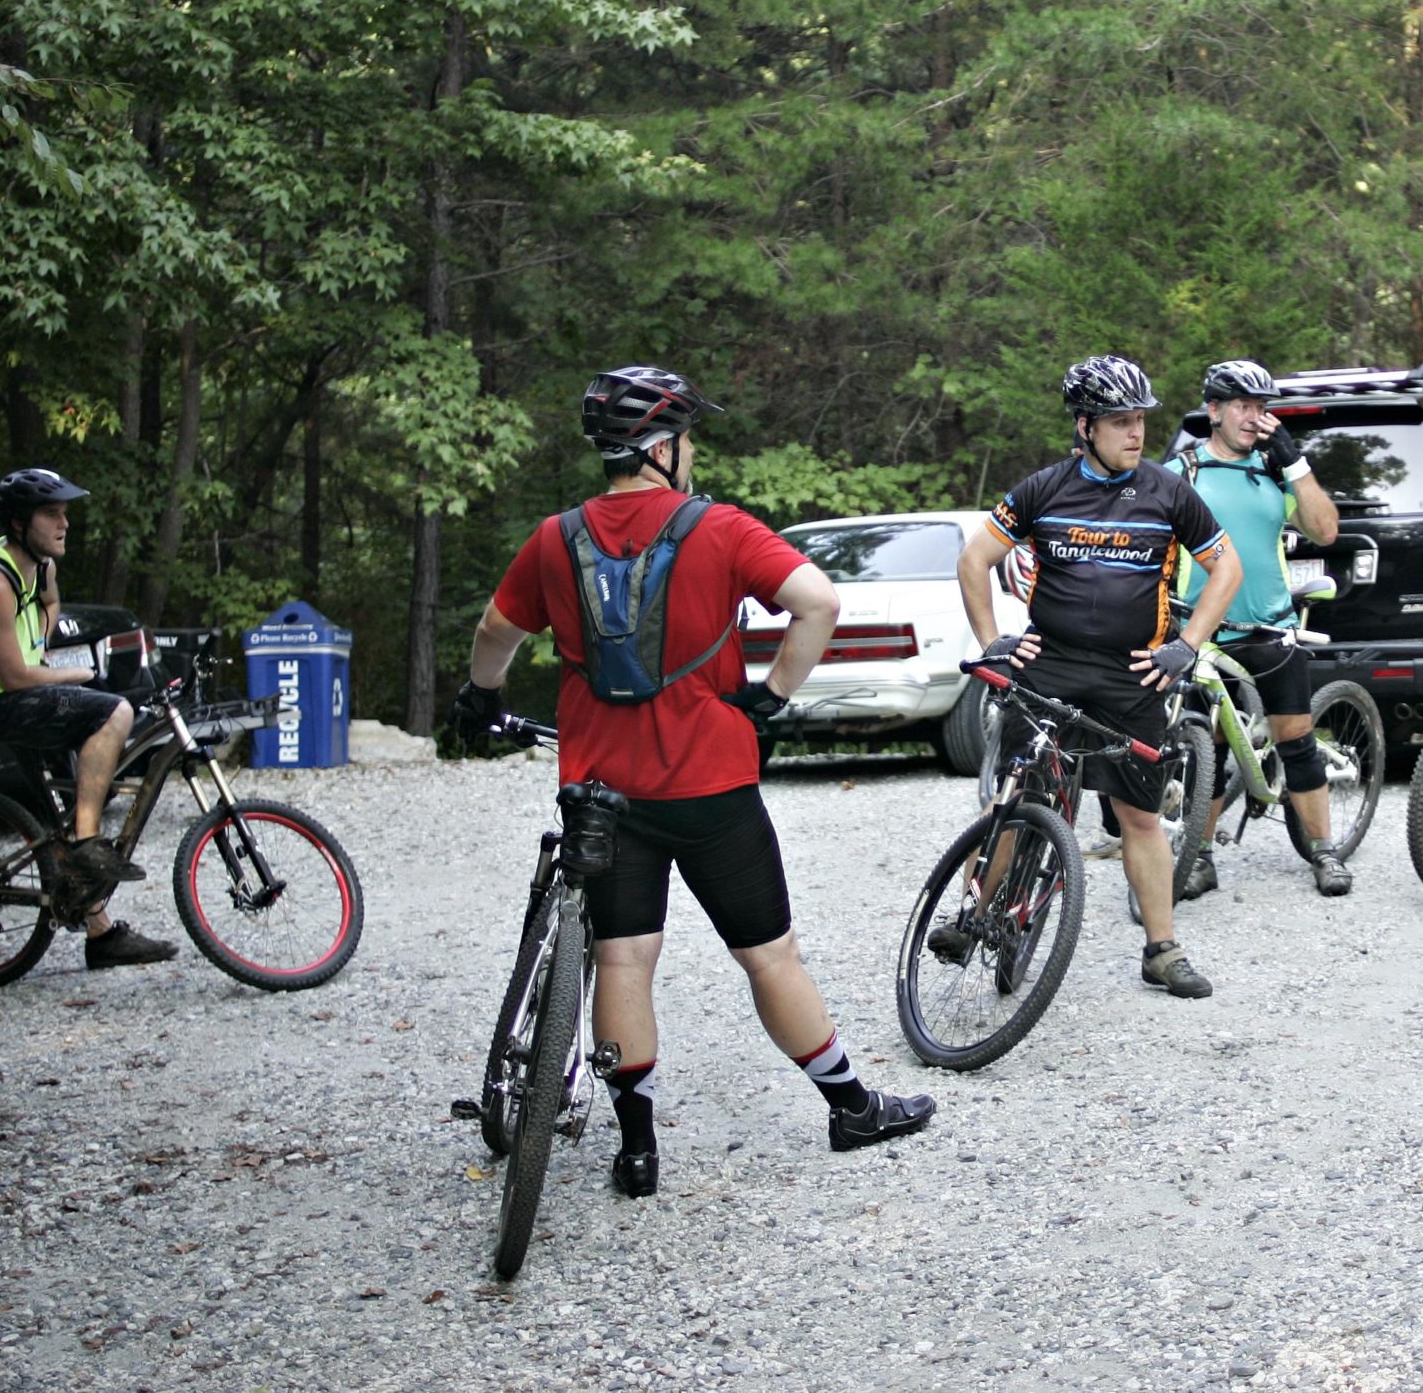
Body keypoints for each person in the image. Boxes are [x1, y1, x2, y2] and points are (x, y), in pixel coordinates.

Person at [454, 366, 933, 1199]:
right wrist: (770, 698)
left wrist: (481, 696)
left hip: (603, 789)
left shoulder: (554, 537)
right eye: (690, 438)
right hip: (712, 786)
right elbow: (817, 602)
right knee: (768, 955)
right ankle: (849, 1105)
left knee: (625, 960)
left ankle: (636, 1149)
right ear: (665, 447)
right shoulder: (719, 530)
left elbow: (498, 629)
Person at [955, 355, 1243, 998]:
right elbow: (975, 560)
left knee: (1139, 816)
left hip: (1133, 673)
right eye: (1120, 422)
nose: (1135, 433)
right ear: (1084, 426)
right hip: (1049, 665)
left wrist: (1188, 646)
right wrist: (990, 643)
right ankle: (974, 914)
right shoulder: (1043, 489)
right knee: (1015, 793)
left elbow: (1227, 571)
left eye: (1140, 420)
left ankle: (1162, 951)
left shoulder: (1170, 492)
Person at [0, 469, 175, 969]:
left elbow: (49, 603)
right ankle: (90, 843)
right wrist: (72, 672)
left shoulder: (40, 566)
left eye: (65, 513)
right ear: (19, 523)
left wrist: (41, 643)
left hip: (22, 693)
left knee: (58, 816)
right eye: (53, 514)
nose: (65, 523)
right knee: (114, 710)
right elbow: (11, 678)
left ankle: (101, 935)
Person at [1168, 359, 1350, 898]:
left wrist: (1294, 462)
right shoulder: (1183, 472)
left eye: (1261, 408)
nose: (1253, 418)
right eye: (1242, 406)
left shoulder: (1273, 471)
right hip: (1200, 630)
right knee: (1209, 744)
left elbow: (1325, 529)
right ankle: (1197, 857)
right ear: (1215, 411)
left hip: (1269, 627)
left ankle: (1323, 851)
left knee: (1296, 742)